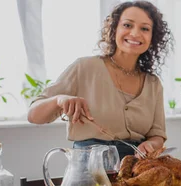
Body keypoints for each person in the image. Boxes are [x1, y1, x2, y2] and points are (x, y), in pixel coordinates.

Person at [27, 1, 173, 159]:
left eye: (144, 28)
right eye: (127, 25)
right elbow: (33, 115)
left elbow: (157, 135)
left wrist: (151, 144)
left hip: (136, 170)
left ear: (152, 37)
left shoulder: (153, 83)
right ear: (114, 28)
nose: (135, 33)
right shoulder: (84, 67)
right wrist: (59, 100)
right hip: (88, 170)